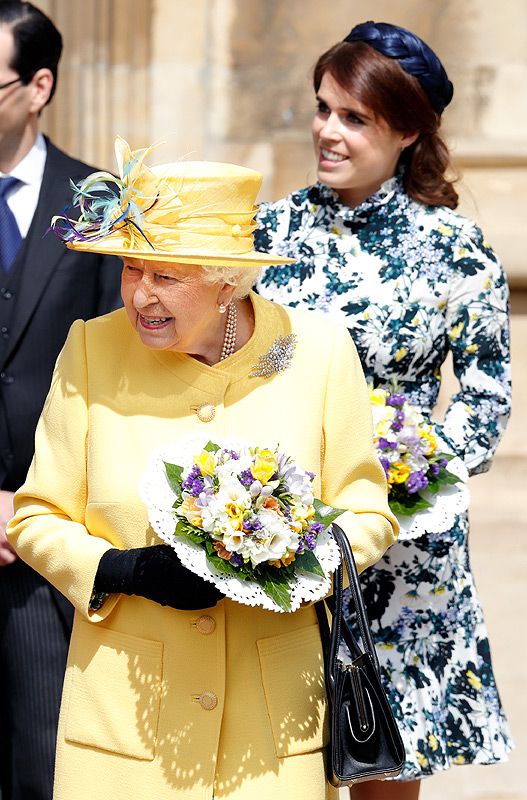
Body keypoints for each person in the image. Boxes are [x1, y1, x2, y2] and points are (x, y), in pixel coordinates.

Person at [6, 138, 398, 800]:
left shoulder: (316, 353)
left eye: (166, 276)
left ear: (226, 282)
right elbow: (38, 515)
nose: (140, 297)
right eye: (131, 270)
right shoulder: (92, 350)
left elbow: (367, 513)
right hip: (125, 732)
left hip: (271, 734)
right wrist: (119, 571)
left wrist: (288, 560)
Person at [254, 20, 513, 800]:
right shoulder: (269, 230)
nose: (326, 131)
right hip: (277, 528)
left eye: (353, 117)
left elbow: (485, 395)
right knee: (271, 759)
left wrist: (409, 464)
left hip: (401, 544)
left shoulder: (453, 247)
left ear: (405, 130)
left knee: (383, 767)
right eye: (322, 107)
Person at [0, 2, 122, 798]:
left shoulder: (99, 201)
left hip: (50, 543)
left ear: (37, 85)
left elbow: (123, 377)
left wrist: (36, 509)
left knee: (46, 766)